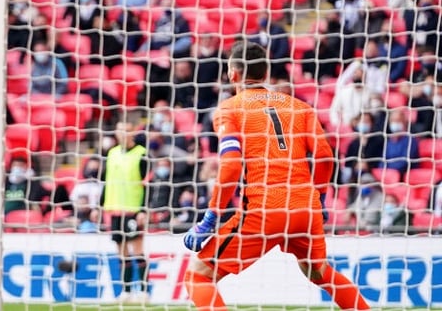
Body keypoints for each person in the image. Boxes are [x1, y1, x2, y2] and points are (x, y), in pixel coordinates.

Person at [182, 42, 369, 311]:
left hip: (264, 208)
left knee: (198, 275)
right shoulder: (300, 107)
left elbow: (232, 165)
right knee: (319, 273)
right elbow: (326, 155)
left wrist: (210, 218)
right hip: (305, 208)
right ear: (266, 73)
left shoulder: (229, 108)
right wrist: (321, 198)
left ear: (232, 74)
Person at [102, 122, 150, 302]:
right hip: (114, 209)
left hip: (133, 209)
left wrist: (143, 210)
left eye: (126, 130)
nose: (122, 133)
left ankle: (144, 291)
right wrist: (101, 204)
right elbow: (107, 180)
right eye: (119, 130)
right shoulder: (112, 153)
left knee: (137, 250)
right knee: (121, 252)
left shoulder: (141, 154)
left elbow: (148, 185)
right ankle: (127, 291)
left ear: (132, 133)